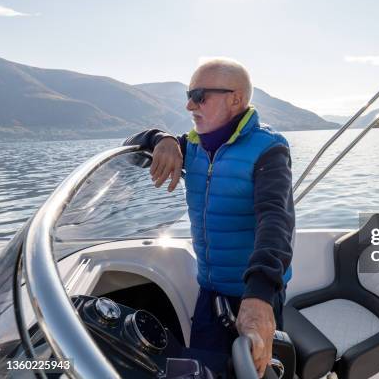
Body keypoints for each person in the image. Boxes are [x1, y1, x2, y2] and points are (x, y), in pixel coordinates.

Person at [124, 58, 294, 377]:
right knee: (201, 369)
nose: (190, 105)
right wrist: (162, 139)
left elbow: (276, 221)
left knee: (255, 371)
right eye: (189, 94)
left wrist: (260, 296)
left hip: (254, 293)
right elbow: (130, 149)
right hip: (209, 294)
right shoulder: (191, 146)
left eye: (200, 95)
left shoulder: (268, 150)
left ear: (235, 99)